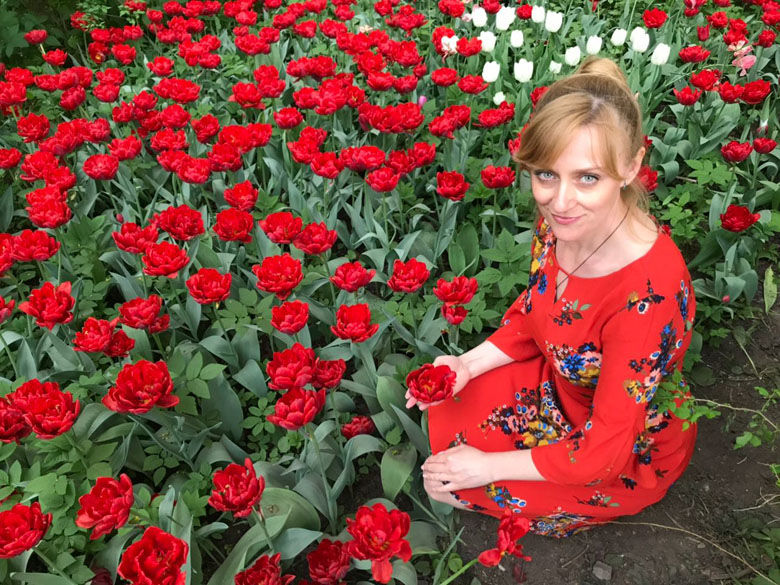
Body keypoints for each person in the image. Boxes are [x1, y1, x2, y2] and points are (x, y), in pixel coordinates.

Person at [414, 56, 697, 537]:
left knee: (451, 485)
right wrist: (467, 364)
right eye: (546, 174)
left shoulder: (646, 300)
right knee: (446, 414)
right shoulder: (565, 225)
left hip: (620, 449)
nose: (559, 201)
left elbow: (603, 451)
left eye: (588, 177)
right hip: (562, 387)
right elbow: (536, 313)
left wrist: (486, 467)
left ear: (631, 167)